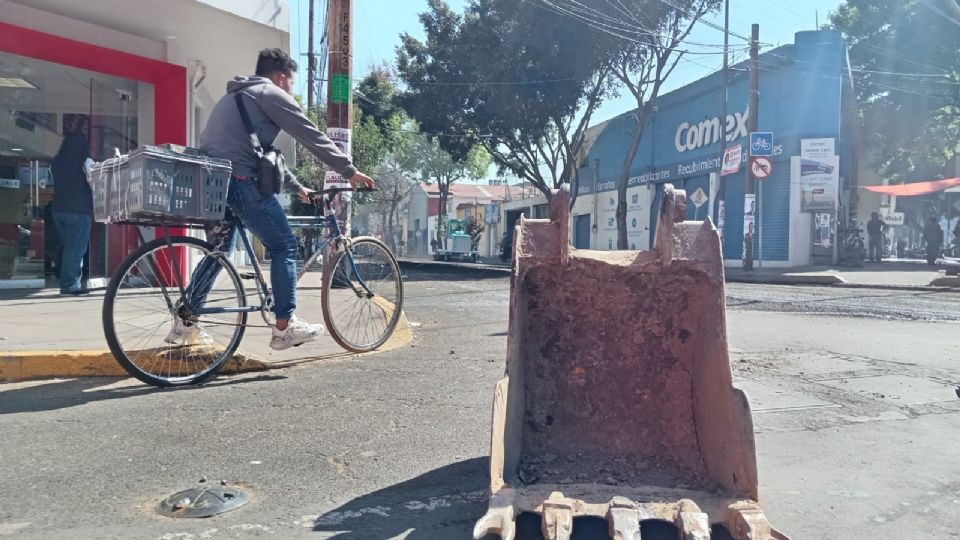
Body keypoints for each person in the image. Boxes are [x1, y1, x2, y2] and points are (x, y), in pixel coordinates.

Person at [170, 48, 374, 351]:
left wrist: (296, 187)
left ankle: (184, 323)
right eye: (291, 83)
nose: (291, 89)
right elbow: (311, 135)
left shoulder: (234, 97)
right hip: (240, 183)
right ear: (281, 78)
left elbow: (261, 155)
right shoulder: (270, 93)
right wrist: (349, 171)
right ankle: (284, 326)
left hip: (214, 185)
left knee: (218, 252)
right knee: (284, 245)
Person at [51, 117, 92, 296]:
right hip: (79, 210)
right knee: (76, 250)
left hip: (58, 209)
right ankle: (70, 285)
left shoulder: (57, 163)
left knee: (68, 248)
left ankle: (67, 281)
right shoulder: (85, 162)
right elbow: (94, 184)